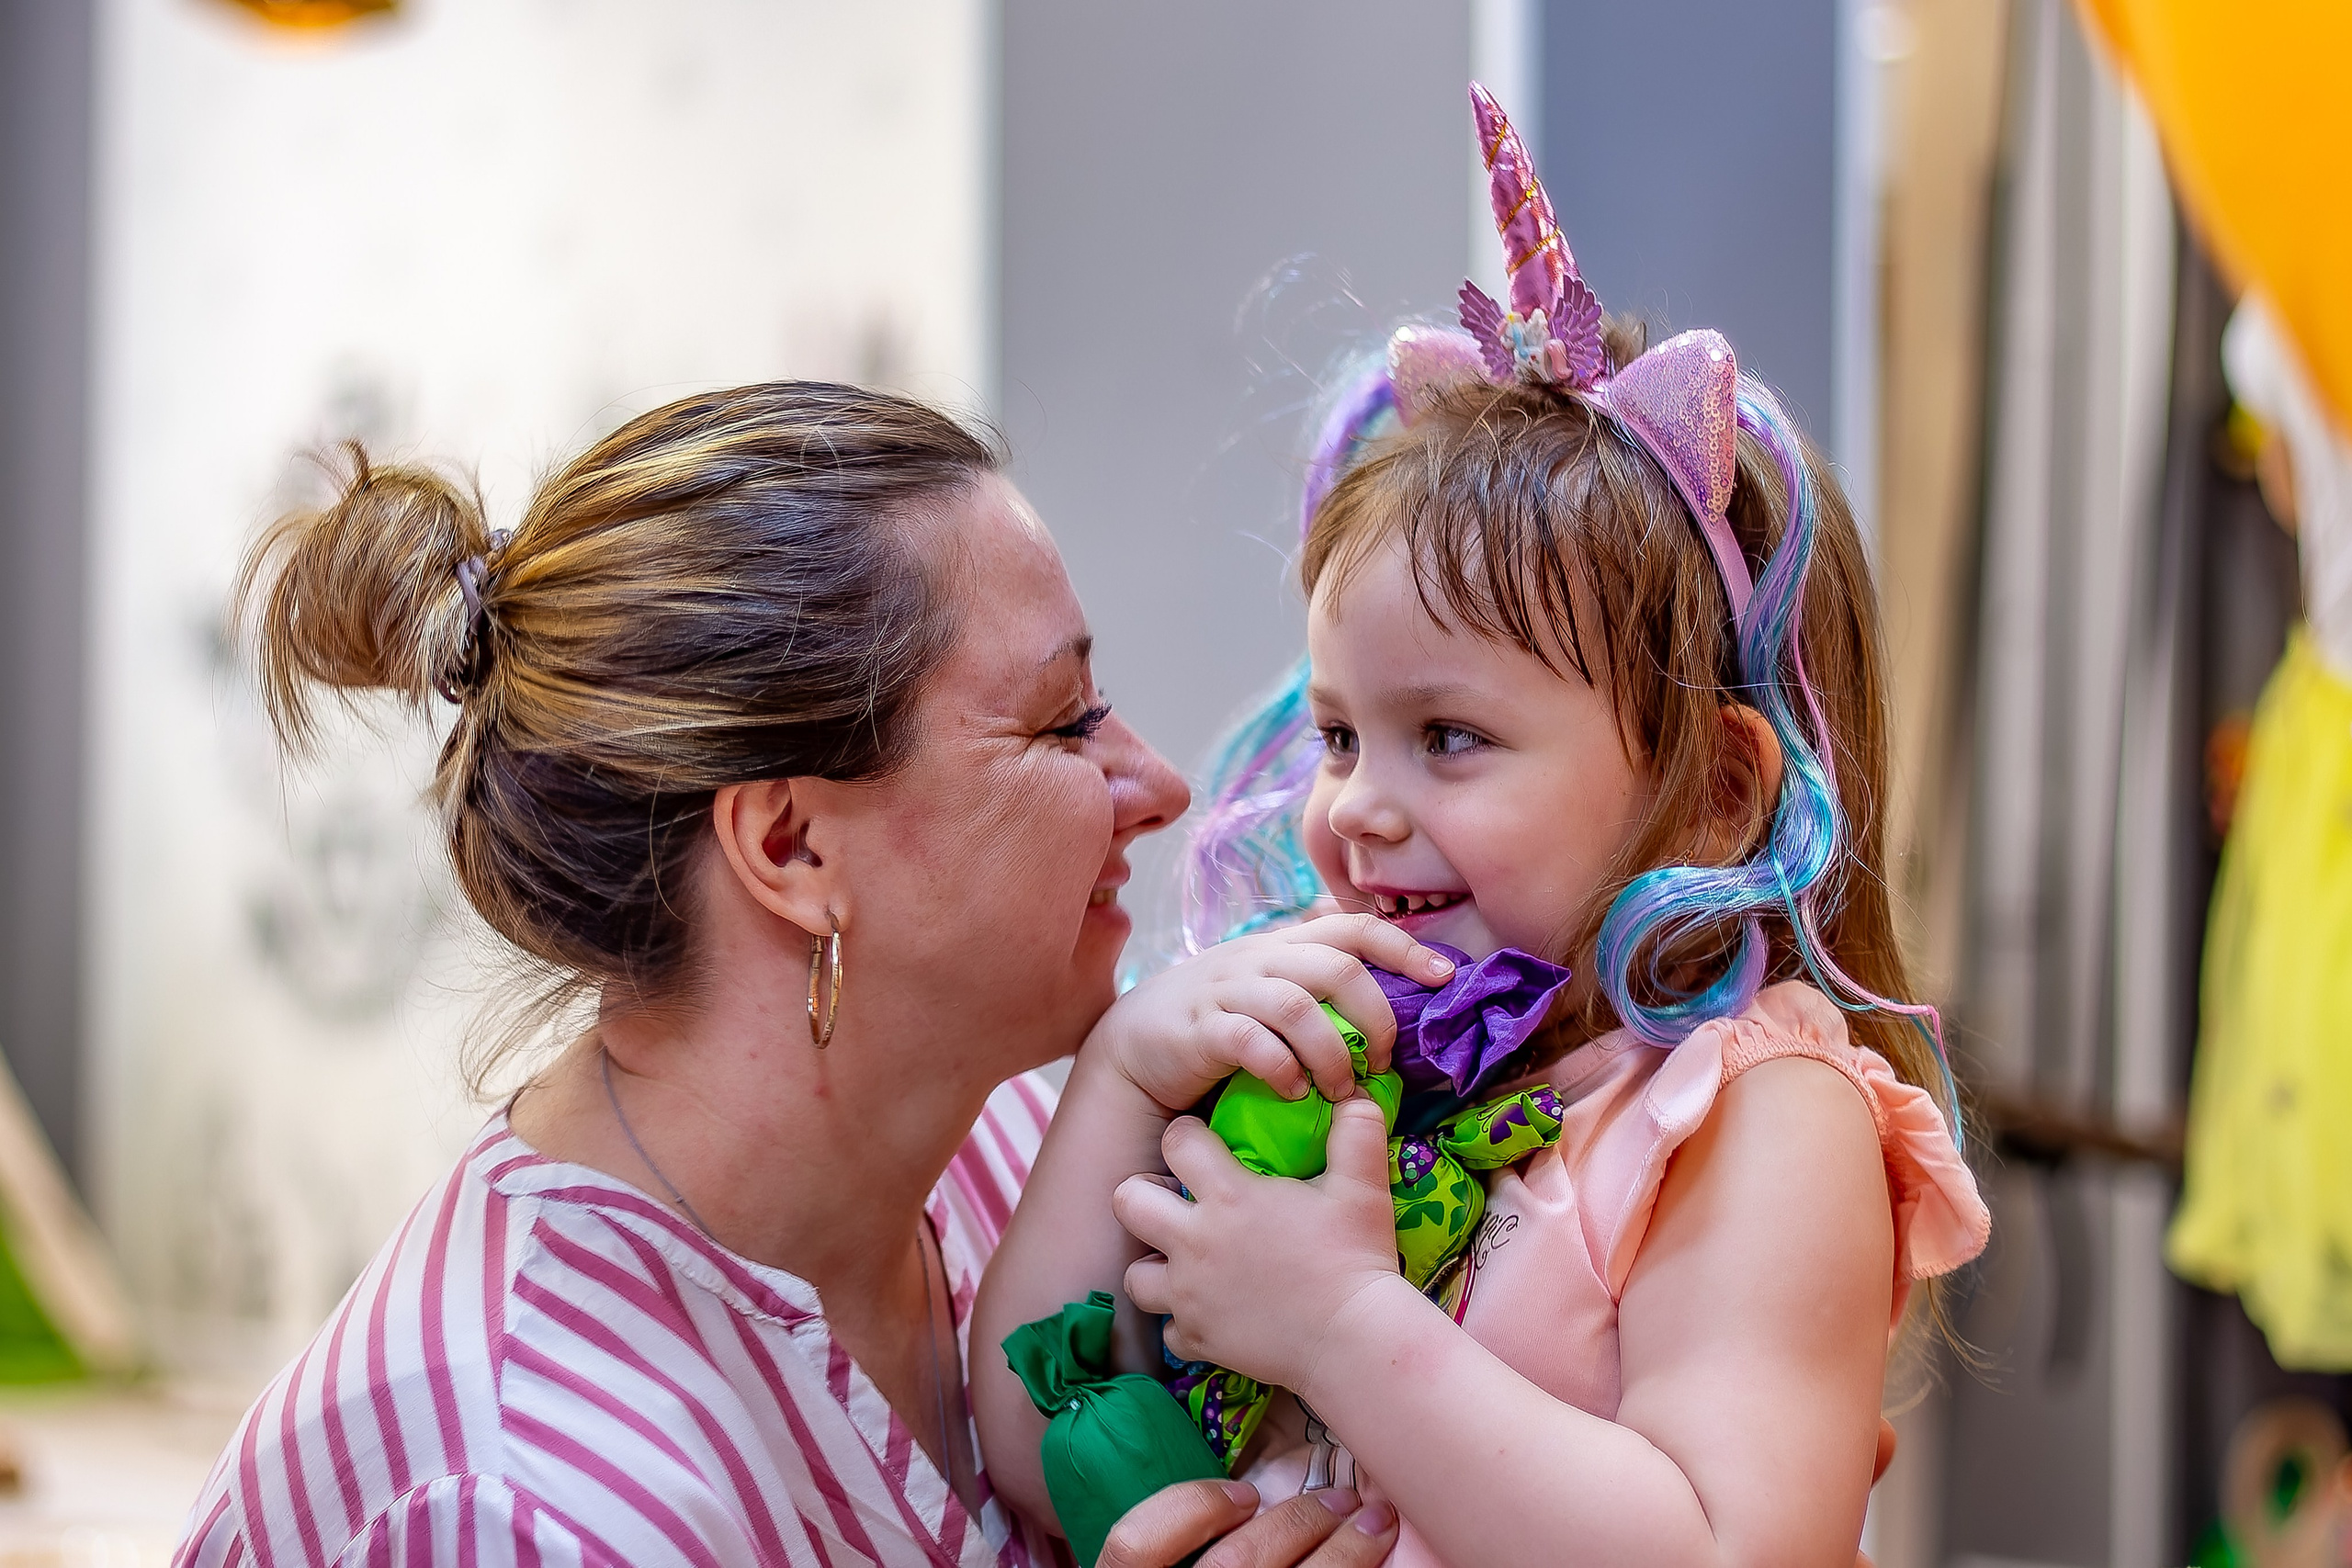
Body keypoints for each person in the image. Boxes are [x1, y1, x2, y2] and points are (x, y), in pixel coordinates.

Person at [971, 85, 1991, 1566]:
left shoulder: (1752, 1115)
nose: (1354, 806)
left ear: (1716, 793)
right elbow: (1032, 1448)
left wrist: (1341, 1323)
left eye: (1448, 738)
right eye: (1338, 736)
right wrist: (1123, 1074)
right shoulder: (1344, 1058)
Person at [171, 381, 1405, 1568]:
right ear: (791, 846)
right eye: (1062, 721)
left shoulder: (1013, 1146)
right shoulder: (521, 1505)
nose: (1161, 787)